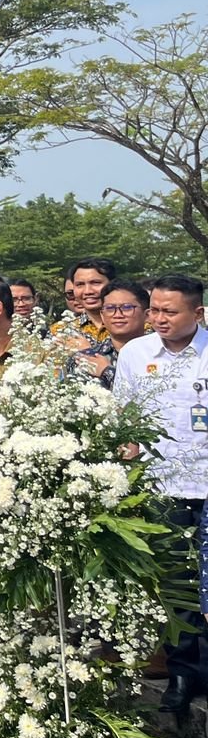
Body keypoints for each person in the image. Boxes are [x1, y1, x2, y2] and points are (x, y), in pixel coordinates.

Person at [114, 274, 208, 713]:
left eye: (170, 311)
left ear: (197, 313)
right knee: (177, 587)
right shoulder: (136, 353)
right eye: (154, 310)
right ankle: (183, 676)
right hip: (161, 487)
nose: (159, 319)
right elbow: (124, 418)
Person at [79, 279, 150, 387]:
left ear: (147, 315)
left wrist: (108, 372)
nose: (118, 315)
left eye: (127, 308)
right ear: (102, 315)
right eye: (110, 308)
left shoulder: (161, 355)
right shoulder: (86, 359)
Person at [53, 258, 115, 345]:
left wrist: (87, 352)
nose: (88, 291)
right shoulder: (60, 330)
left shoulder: (133, 325)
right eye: (80, 284)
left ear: (113, 284)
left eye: (95, 283)